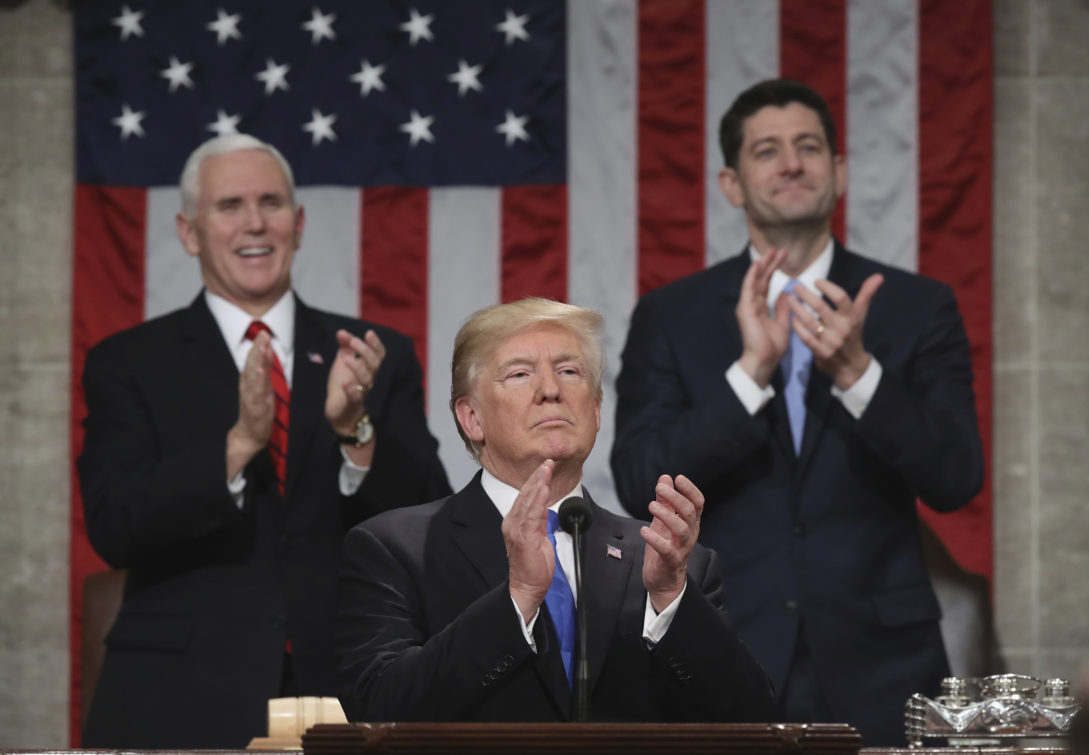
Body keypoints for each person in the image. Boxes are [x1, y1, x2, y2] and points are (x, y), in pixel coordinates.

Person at [612, 79, 984, 746]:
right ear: (731, 182)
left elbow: (956, 476)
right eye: (768, 150)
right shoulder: (673, 315)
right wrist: (749, 375)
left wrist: (858, 373)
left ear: (838, 172)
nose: (791, 163)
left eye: (809, 146)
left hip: (884, 666)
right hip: (721, 651)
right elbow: (642, 481)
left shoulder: (916, 306)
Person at [77, 134, 452, 748]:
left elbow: (427, 525)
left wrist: (354, 431)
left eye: (271, 202)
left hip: (347, 684)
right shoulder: (127, 363)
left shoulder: (368, 355)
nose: (255, 223)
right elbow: (114, 527)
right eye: (229, 205)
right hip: (178, 692)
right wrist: (238, 445)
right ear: (189, 231)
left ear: (298, 224)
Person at [336, 298, 776, 723]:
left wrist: (670, 601)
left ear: (597, 410)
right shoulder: (395, 549)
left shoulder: (673, 562)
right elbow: (379, 709)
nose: (551, 390)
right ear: (471, 418)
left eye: (569, 371)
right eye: (520, 374)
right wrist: (518, 598)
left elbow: (751, 719)